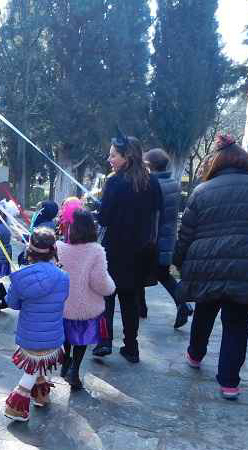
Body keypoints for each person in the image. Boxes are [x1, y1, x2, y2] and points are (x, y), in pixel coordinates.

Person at [174, 135, 248, 400]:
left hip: (206, 264)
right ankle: (229, 382)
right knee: (237, 324)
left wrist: (179, 259)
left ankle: (195, 354)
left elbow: (186, 232)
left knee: (205, 311)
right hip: (247, 264)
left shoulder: (202, 190)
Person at [93, 131, 162, 363]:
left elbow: (104, 219)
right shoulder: (152, 182)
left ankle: (104, 342)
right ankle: (131, 347)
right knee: (130, 300)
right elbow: (157, 214)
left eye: (113, 155)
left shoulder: (114, 182)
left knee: (107, 296)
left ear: (126, 156)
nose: (109, 159)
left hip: (115, 249)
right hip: (141, 251)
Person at [4, 228, 69, 422]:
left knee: (33, 367)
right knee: (35, 367)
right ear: (53, 250)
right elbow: (63, 298)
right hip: (53, 334)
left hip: (29, 335)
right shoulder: (63, 276)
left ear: (29, 250)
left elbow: (12, 303)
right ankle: (16, 408)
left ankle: (26, 402)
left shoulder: (21, 277)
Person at [57, 210, 115, 390]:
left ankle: (65, 362)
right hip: (86, 306)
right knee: (81, 340)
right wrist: (110, 287)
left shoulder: (59, 248)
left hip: (63, 305)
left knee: (66, 337)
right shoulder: (96, 251)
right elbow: (100, 281)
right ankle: (75, 370)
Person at [137, 148, 194, 328]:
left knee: (138, 274)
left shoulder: (154, 185)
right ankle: (180, 304)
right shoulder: (173, 184)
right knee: (163, 275)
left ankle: (143, 309)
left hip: (153, 239)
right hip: (167, 238)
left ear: (149, 165)